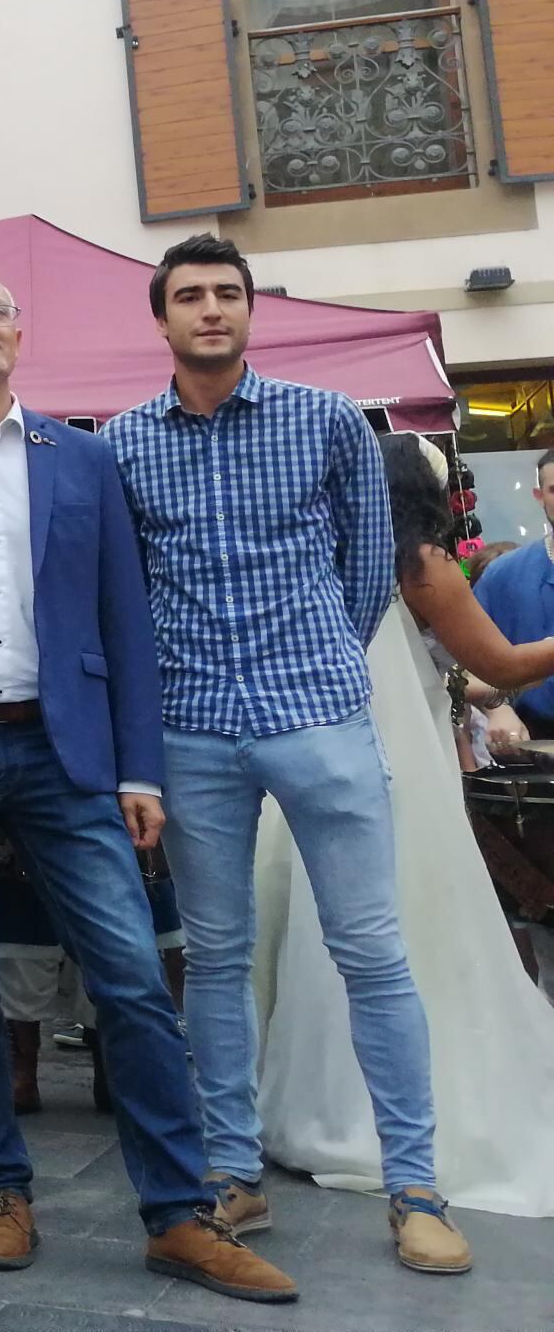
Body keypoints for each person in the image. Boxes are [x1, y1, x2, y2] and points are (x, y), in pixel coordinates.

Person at [0, 263, 294, 1302]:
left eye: (0, 308)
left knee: (132, 981)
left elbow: (124, 622)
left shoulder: (80, 459)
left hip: (66, 749)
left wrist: (138, 765)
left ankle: (177, 1213)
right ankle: (0, 1192)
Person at [105, 233, 469, 1275]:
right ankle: (232, 1173)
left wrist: (311, 668)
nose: (210, 309)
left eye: (226, 293)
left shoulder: (326, 424)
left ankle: (414, 1187)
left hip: (315, 716)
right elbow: (127, 589)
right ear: (162, 317)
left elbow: (365, 571)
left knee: (371, 954)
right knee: (214, 958)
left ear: (248, 310)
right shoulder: (124, 444)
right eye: (190, 296)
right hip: (190, 725)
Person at [252, 433, 554, 1217]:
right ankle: (424, 1108)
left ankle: (326, 1101)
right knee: (424, 919)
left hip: (315, 761)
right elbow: (508, 661)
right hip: (401, 764)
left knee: (334, 930)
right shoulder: (420, 561)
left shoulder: (321, 551)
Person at [473, 447, 554, 738]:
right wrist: (498, 708)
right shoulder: (503, 575)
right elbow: (462, 668)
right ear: (539, 496)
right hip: (536, 745)